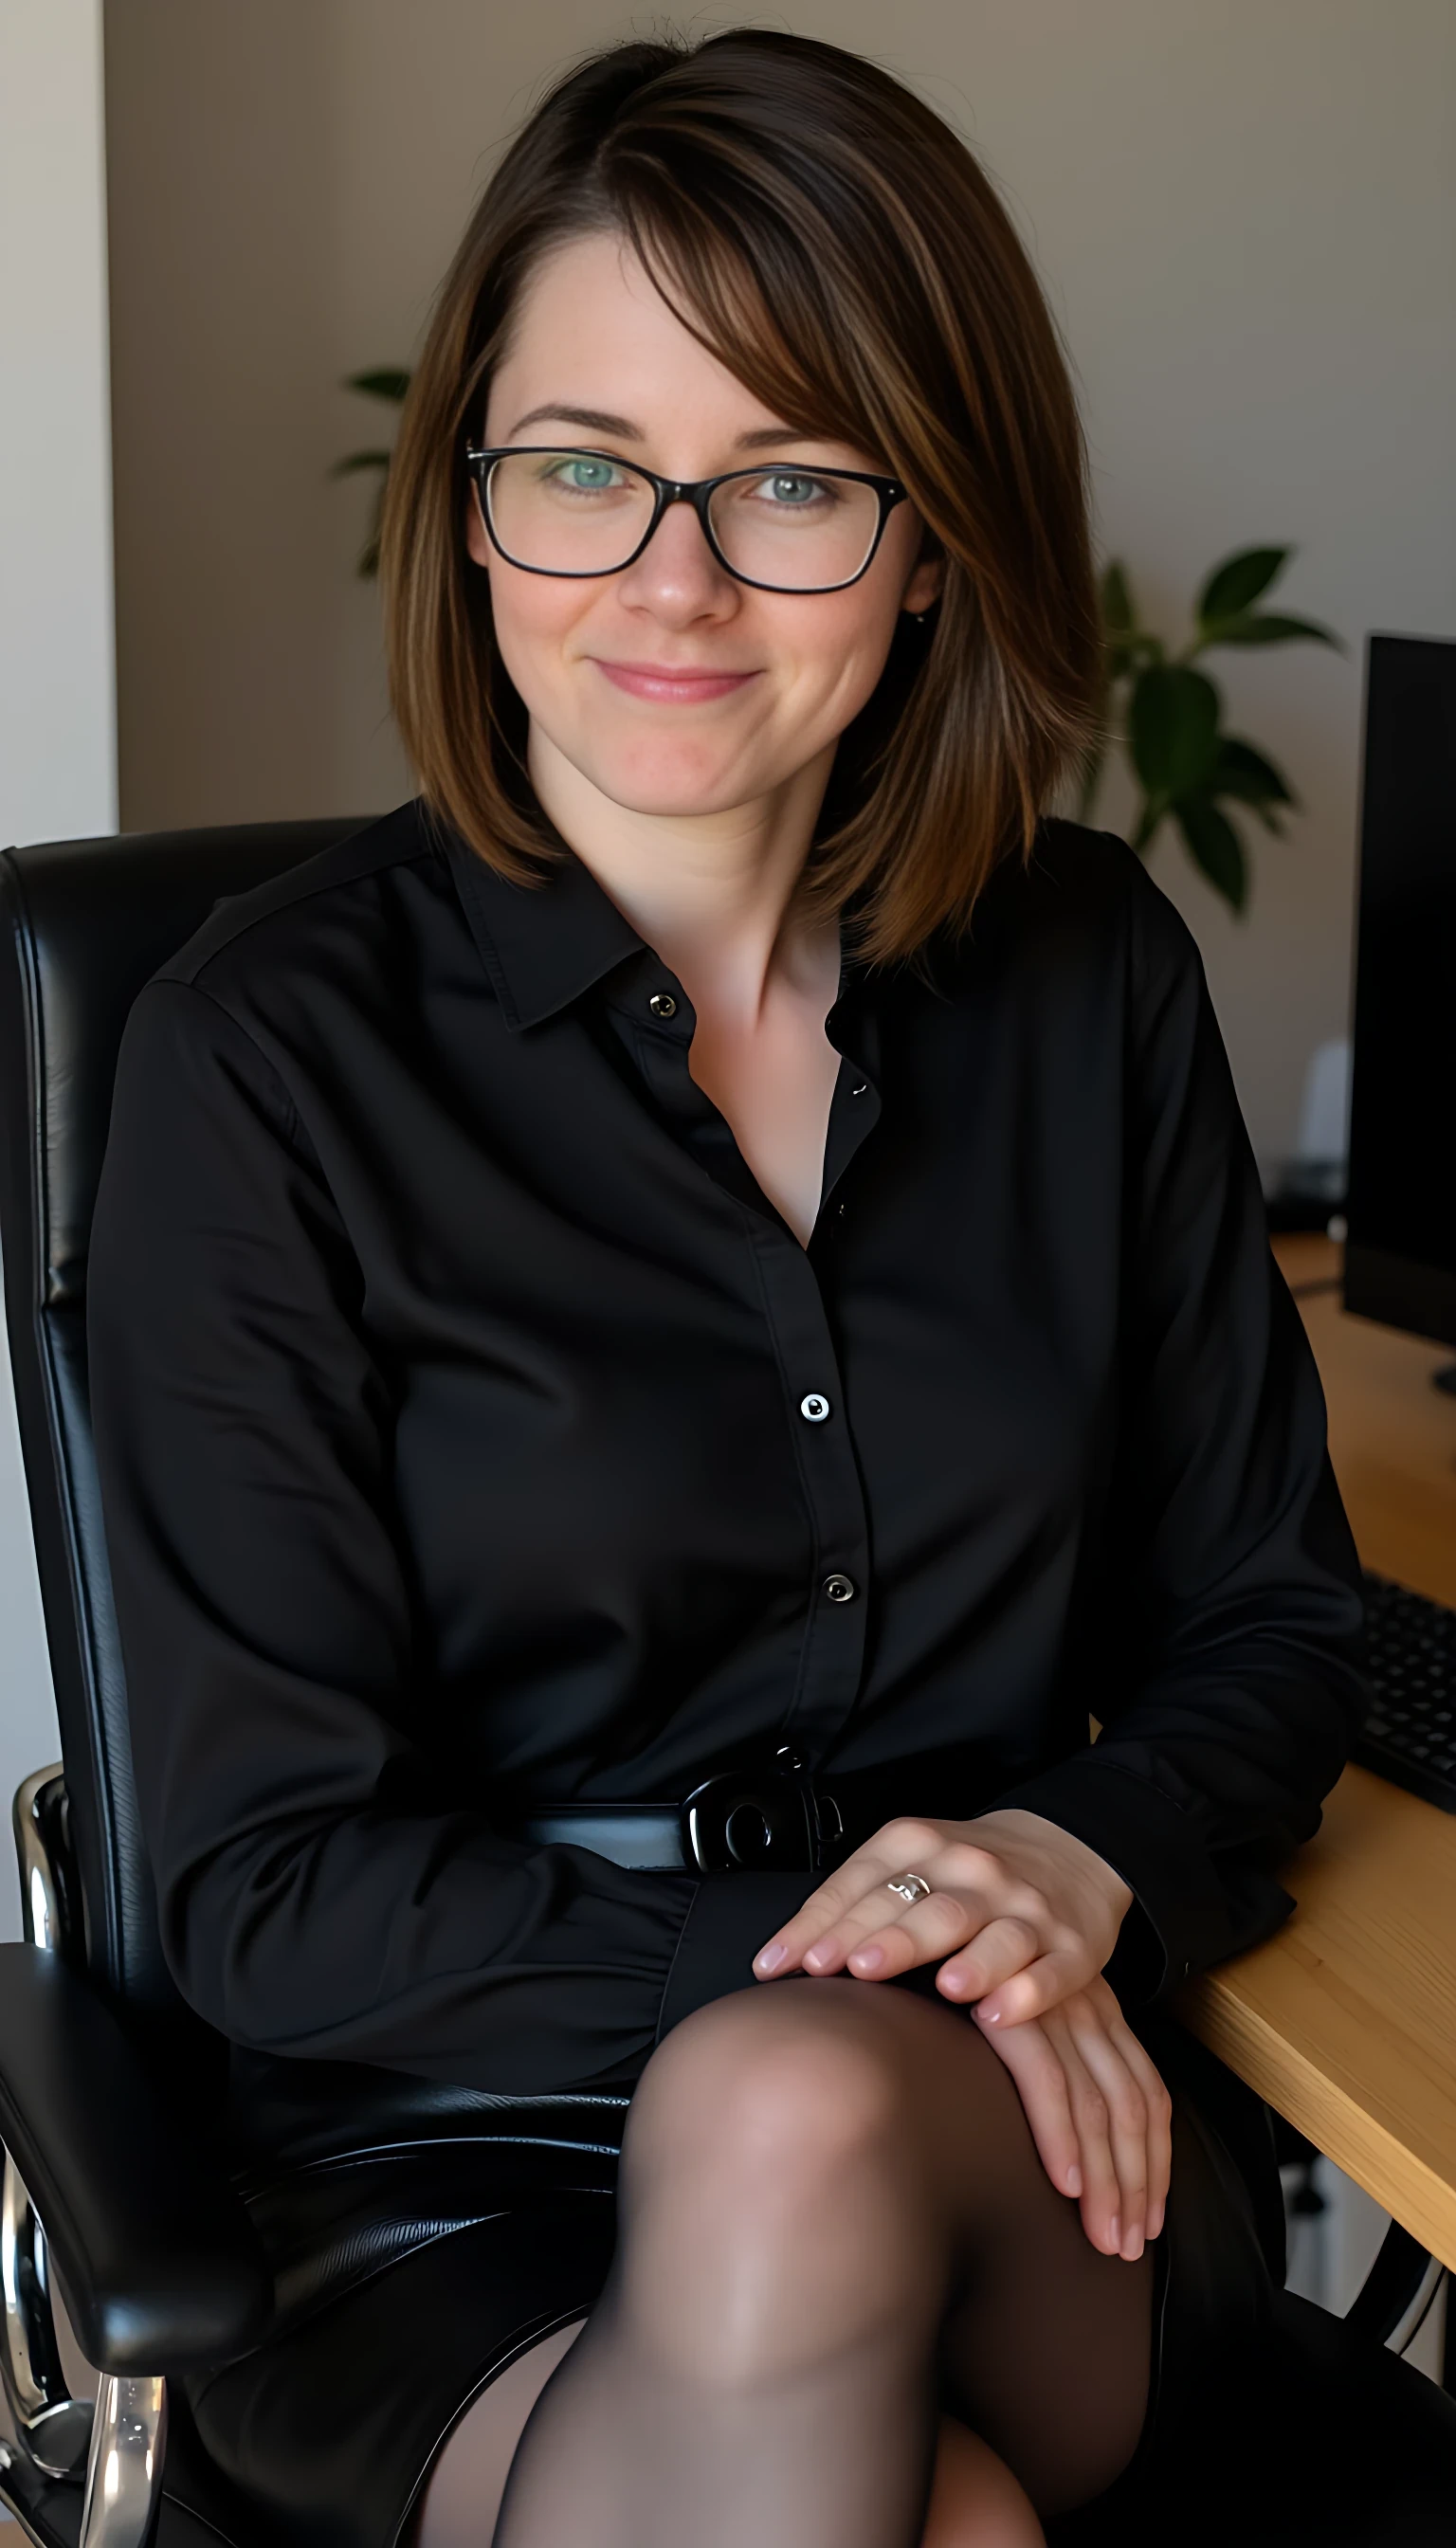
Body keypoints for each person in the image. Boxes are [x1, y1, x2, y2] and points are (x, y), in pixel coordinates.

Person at [85, 27, 1366, 2548]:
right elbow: (261, 1888)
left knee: (807, 2118)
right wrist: (828, 1946)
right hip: (437, 2171)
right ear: (471, 514)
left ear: (931, 536)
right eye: (584, 470)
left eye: (784, 479)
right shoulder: (261, 1056)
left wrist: (1073, 1865)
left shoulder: (1086, 974)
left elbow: (1275, 1626)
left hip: (1018, 2117)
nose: (668, 580)